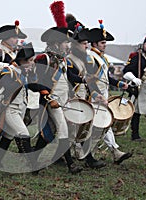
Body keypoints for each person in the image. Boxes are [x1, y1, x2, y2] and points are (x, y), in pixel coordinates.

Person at [32, 1, 83, 174]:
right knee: (63, 129)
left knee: (48, 135)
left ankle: (32, 160)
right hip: (50, 101)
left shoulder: (62, 60)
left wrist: (83, 80)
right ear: (56, 42)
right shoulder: (44, 58)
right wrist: (47, 96)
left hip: (62, 100)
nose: (68, 45)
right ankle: (70, 165)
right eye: (65, 42)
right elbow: (35, 82)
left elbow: (68, 78)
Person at [87, 21, 133, 165]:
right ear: (94, 44)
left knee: (102, 125)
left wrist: (121, 84)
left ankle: (107, 152)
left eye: (105, 42)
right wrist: (95, 95)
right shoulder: (90, 57)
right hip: (95, 97)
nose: (104, 45)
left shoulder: (102, 58)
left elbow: (106, 77)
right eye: (102, 42)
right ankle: (113, 152)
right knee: (100, 125)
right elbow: (89, 80)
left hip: (103, 96)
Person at [65, 15, 107, 169]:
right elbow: (69, 81)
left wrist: (96, 94)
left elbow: (90, 81)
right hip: (71, 99)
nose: (87, 47)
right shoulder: (69, 61)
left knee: (82, 130)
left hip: (83, 99)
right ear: (75, 45)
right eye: (83, 44)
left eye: (87, 43)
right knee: (68, 132)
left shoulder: (84, 60)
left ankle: (87, 158)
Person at [0, 42, 38, 170]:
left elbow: (32, 85)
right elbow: (4, 86)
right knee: (24, 134)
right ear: (23, 61)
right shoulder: (10, 70)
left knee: (8, 136)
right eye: (30, 60)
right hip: (10, 109)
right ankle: (34, 164)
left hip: (21, 108)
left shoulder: (23, 72)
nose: (33, 63)